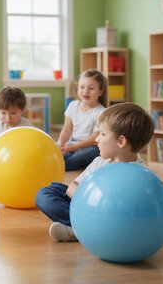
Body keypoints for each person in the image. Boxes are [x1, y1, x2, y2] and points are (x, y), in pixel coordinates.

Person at [35, 102, 153, 242]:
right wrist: (88, 198)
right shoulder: (99, 161)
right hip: (87, 205)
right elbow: (72, 186)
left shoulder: (139, 174)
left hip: (110, 217)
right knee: (45, 193)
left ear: (121, 142)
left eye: (102, 134)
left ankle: (83, 230)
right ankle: (80, 228)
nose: (96, 139)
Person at [57, 69, 108, 171]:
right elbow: (66, 129)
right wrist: (60, 144)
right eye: (82, 87)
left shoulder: (101, 112)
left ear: (101, 92)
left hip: (91, 147)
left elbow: (94, 138)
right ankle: (61, 162)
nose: (85, 92)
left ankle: (61, 165)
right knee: (57, 154)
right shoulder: (73, 105)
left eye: (91, 88)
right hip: (73, 144)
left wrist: (73, 148)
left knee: (81, 156)